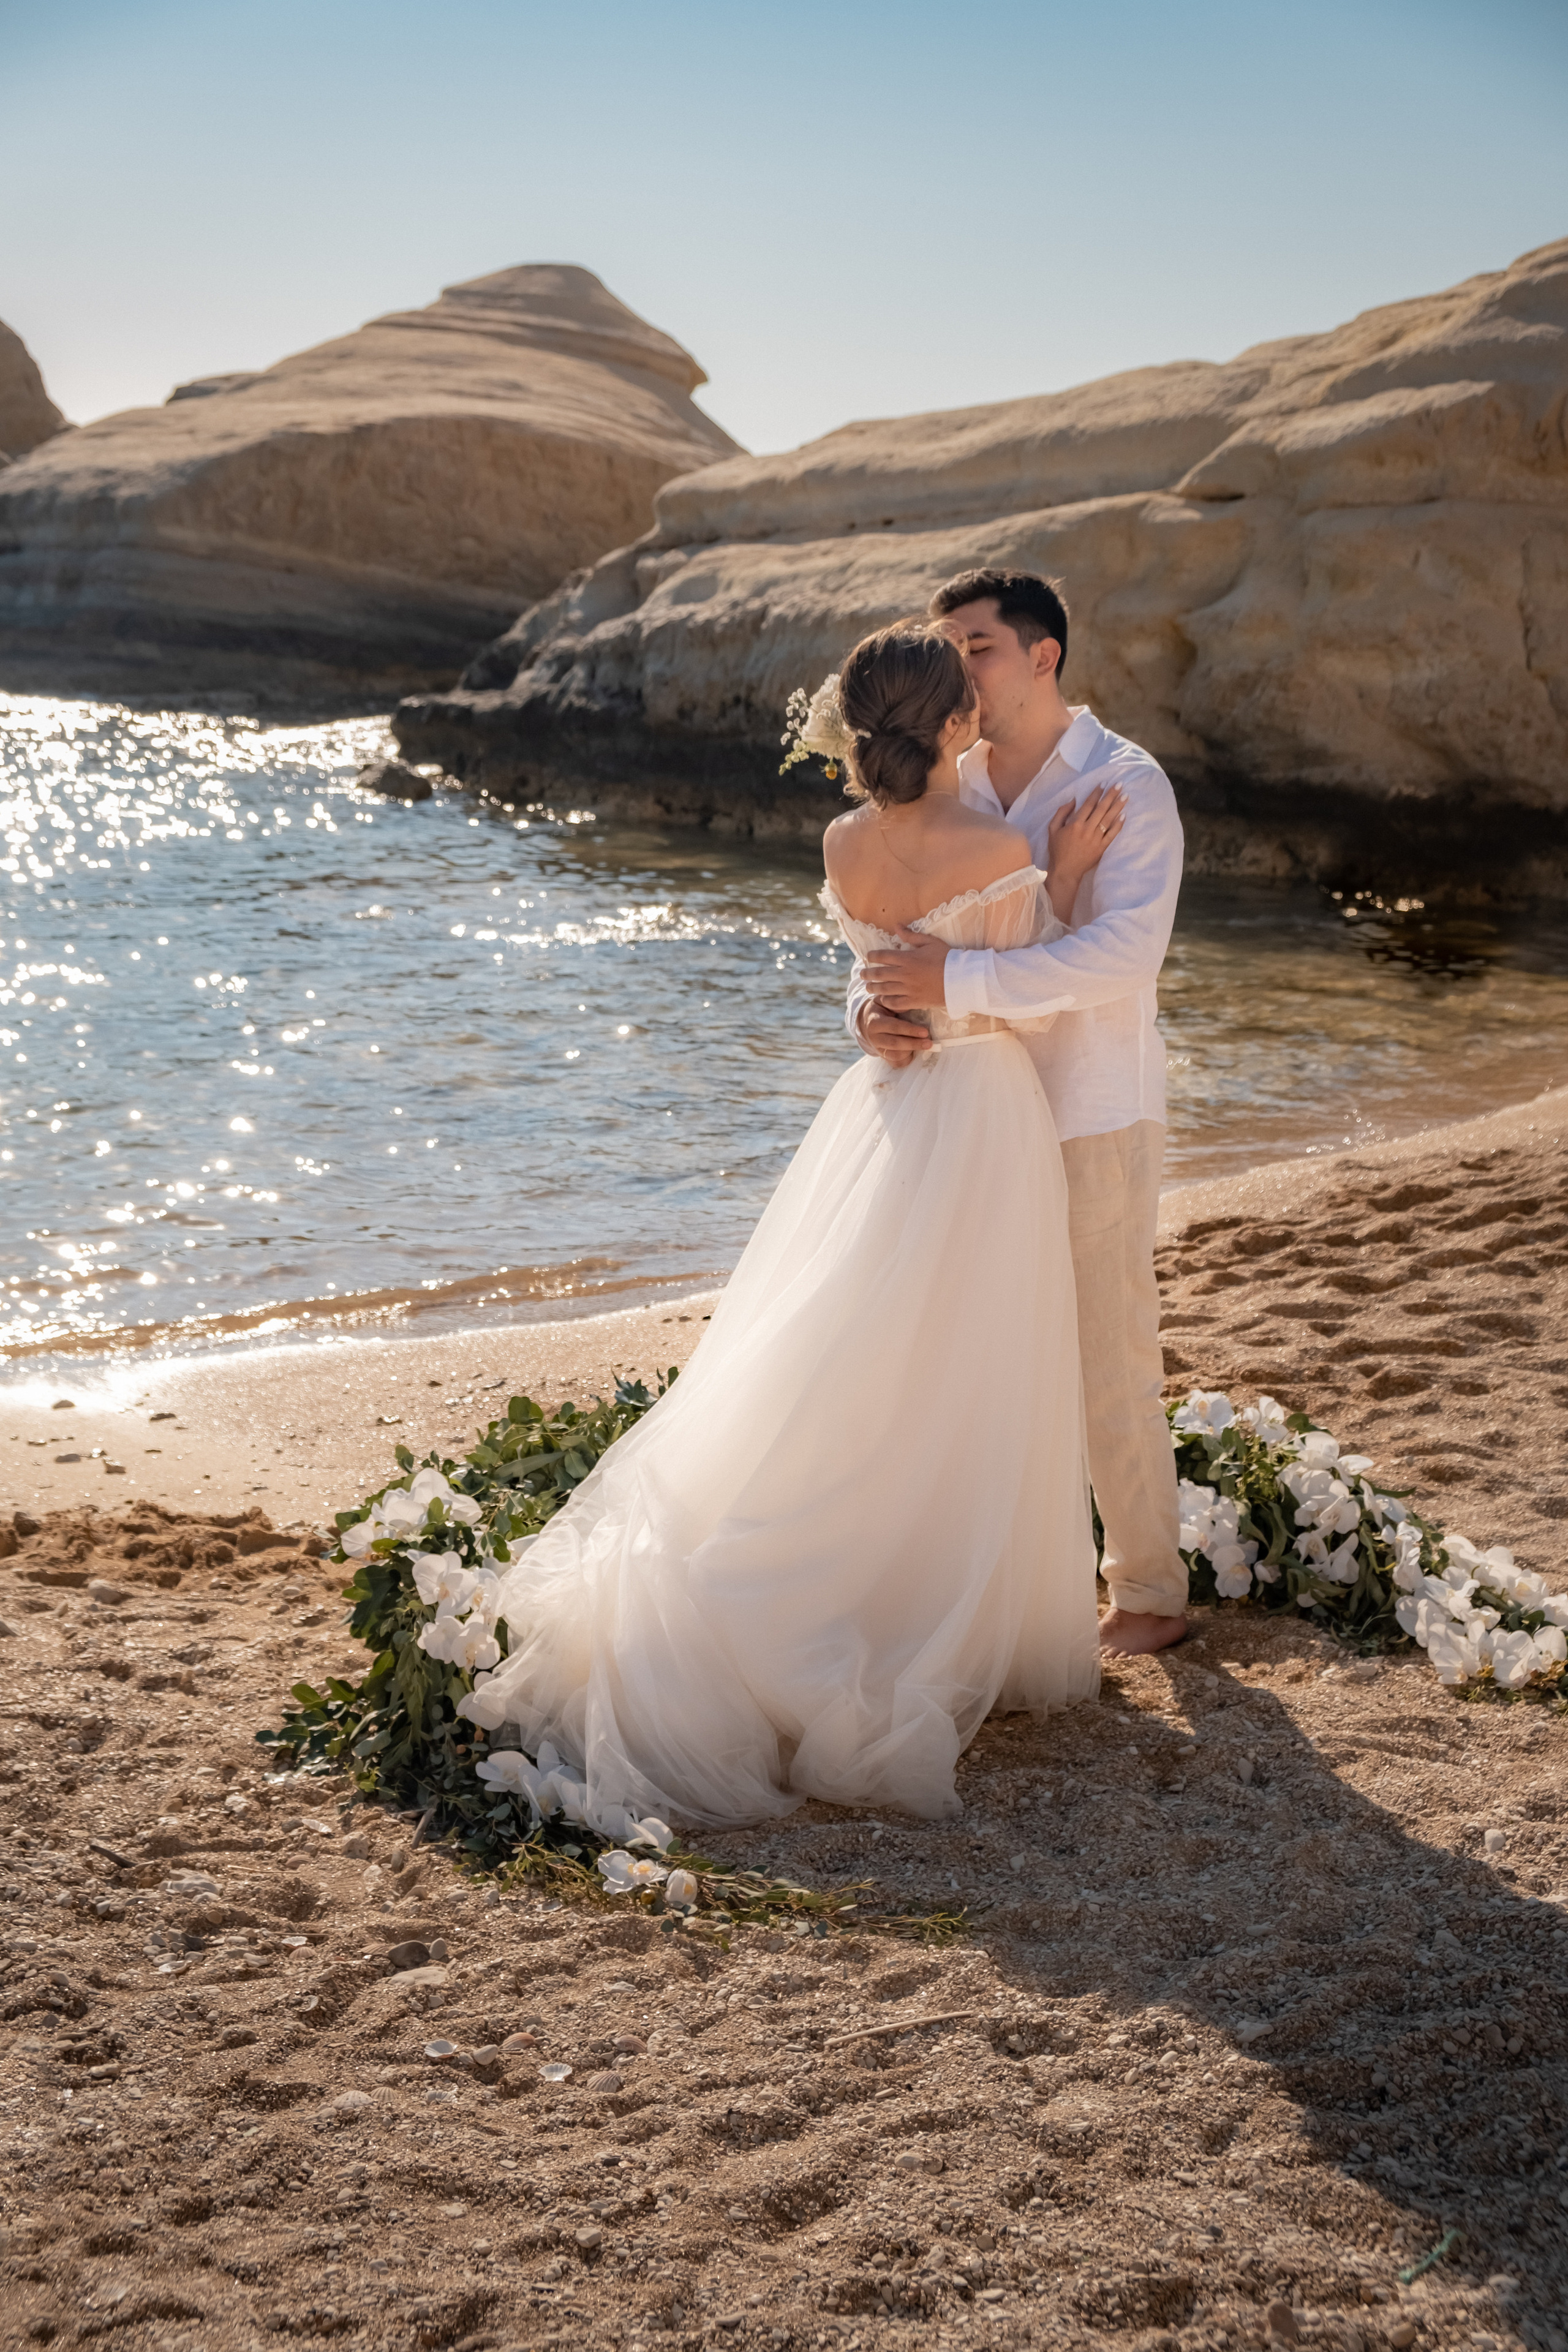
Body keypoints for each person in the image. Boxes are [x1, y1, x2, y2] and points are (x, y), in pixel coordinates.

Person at [461, 622, 1124, 1828]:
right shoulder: (994, 842)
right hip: (978, 1116)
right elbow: (1029, 992)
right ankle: (914, 1609)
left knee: (852, 1344)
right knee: (958, 1360)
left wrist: (876, 1013)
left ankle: (845, 1573)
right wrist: (1066, 881)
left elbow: (877, 976)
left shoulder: (840, 838)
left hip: (881, 1106)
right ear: (955, 724)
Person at [849, 568, 1188, 1658]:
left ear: (1043, 656)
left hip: (1088, 1108)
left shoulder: (1127, 785)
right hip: (962, 1121)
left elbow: (1124, 953)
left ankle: (1146, 1593)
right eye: (946, 647)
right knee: (964, 1358)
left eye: (979, 644)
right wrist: (870, 1006)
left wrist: (957, 986)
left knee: (1107, 1360)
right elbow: (889, 929)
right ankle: (983, 1588)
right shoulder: (946, 774)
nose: (960, 665)